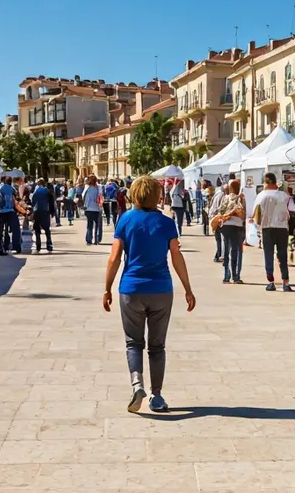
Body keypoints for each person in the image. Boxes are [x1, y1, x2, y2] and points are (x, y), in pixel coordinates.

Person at [102, 176, 196, 413]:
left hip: (131, 289)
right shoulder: (166, 223)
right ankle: (157, 396)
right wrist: (187, 288)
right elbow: (176, 256)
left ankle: (136, 385)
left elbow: (114, 258)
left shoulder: (125, 220)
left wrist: (107, 287)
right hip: (161, 289)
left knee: (133, 343)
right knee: (157, 346)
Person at [253, 172, 295, 292]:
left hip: (267, 228)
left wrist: (258, 227)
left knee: (268, 255)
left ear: (266, 182)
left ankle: (271, 282)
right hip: (282, 228)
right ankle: (285, 282)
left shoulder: (261, 196)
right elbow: (293, 209)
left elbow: (255, 214)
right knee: (282, 255)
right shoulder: (284, 196)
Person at [213, 179, 246, 284]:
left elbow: (220, 211)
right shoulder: (240, 198)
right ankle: (235, 277)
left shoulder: (225, 198)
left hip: (225, 226)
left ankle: (226, 276)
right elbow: (243, 214)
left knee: (227, 251)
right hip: (236, 226)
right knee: (235, 251)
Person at [0, 176, 22, 256]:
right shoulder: (12, 188)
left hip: (2, 212)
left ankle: (0, 247)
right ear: (10, 182)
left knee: (1, 229)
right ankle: (15, 246)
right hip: (10, 211)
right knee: (14, 228)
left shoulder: (1, 188)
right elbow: (17, 197)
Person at [30, 178, 55, 253]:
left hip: (37, 211)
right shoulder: (47, 191)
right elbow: (51, 202)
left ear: (38, 184)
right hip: (45, 211)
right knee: (47, 229)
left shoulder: (36, 191)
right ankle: (49, 244)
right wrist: (52, 212)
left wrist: (32, 211)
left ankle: (38, 245)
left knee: (37, 229)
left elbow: (33, 202)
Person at [206, 182, 226, 263]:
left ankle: (218, 255)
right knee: (220, 238)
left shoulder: (218, 194)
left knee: (219, 238)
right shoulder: (222, 195)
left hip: (215, 217)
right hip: (217, 218)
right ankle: (219, 255)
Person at [83, 175, 104, 245]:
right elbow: (101, 197)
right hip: (97, 208)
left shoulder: (88, 188)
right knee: (97, 225)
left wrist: (85, 206)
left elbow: (87, 199)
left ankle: (89, 239)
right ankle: (97, 239)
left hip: (89, 209)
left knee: (90, 225)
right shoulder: (98, 188)